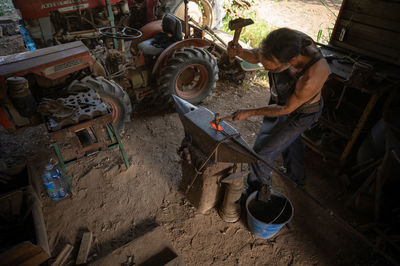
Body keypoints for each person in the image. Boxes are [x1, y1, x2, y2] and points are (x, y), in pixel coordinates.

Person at [227, 28, 330, 195]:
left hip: (302, 113)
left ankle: (258, 192)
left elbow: (286, 109)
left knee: (262, 153)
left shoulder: (314, 75)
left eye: (270, 67)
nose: (265, 68)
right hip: (283, 100)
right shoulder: (286, 41)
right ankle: (297, 178)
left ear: (291, 61)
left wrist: (250, 112)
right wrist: (240, 52)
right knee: (288, 141)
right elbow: (258, 57)